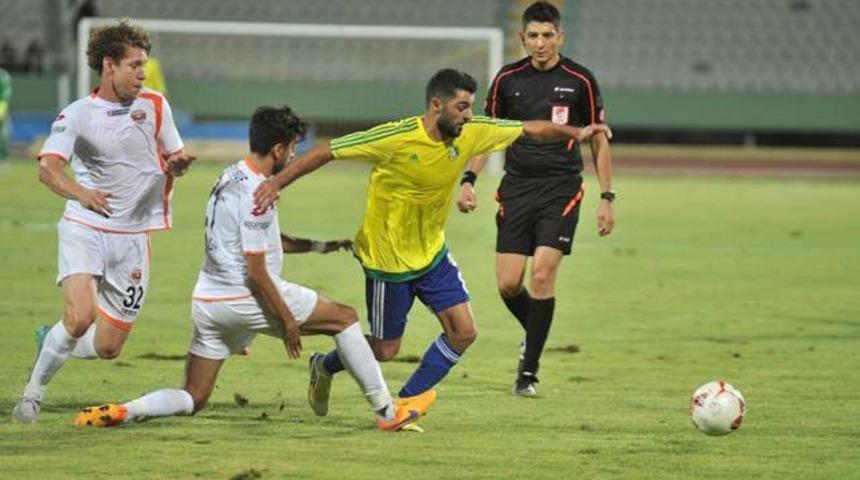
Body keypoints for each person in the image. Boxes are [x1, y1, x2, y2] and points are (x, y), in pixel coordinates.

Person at [252, 68, 612, 411]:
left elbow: (529, 129)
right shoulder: (394, 137)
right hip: (387, 260)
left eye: (470, 106)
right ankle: (325, 366)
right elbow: (325, 152)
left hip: (432, 254)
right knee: (384, 349)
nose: (468, 115)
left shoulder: (471, 131)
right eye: (461, 107)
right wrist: (274, 183)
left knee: (463, 332)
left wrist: (574, 133)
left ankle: (405, 404)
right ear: (436, 106)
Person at [74, 106, 430, 431]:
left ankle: (126, 410)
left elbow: (264, 241)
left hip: (208, 303)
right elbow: (256, 271)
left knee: (194, 397)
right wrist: (288, 322)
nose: (293, 156)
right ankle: (387, 412)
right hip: (245, 296)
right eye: (292, 148)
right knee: (345, 318)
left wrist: (321, 246)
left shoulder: (229, 176)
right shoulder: (261, 193)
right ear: (278, 149)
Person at [12, 21, 195, 423]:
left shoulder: (156, 106)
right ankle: (32, 394)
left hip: (132, 237)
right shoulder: (77, 115)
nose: (142, 73)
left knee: (109, 347)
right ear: (109, 65)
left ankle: (51, 340)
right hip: (86, 226)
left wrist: (178, 166)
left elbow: (173, 156)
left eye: (144, 64)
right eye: (134, 65)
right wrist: (83, 194)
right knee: (80, 318)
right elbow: (48, 169)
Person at [456, 1, 616, 396]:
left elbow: (598, 137)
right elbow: (488, 135)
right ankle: (537, 332)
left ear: (560, 36)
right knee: (509, 285)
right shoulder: (508, 79)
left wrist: (607, 196)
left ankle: (527, 372)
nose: (540, 43)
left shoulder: (581, 80)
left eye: (548, 35)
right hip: (517, 187)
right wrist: (469, 179)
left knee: (542, 274)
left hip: (561, 188)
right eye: (533, 36)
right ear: (522, 38)